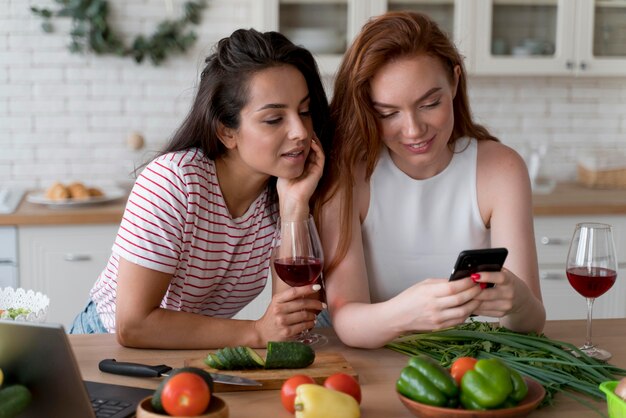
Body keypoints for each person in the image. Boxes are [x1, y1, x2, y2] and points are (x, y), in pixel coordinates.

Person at [69, 28, 331, 349]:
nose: (300, 132)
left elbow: (289, 323)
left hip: (188, 354)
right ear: (226, 131)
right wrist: (257, 332)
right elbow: (133, 325)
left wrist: (294, 207)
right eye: (274, 119)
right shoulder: (175, 181)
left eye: (304, 112)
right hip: (103, 346)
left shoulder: (284, 193)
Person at [314, 11, 546, 349]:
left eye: (429, 103)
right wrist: (407, 313)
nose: (413, 130)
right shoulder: (348, 173)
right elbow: (346, 319)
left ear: (454, 82)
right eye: (387, 113)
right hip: (366, 357)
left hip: (460, 358)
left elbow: (532, 324)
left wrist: (519, 302)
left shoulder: (501, 169)